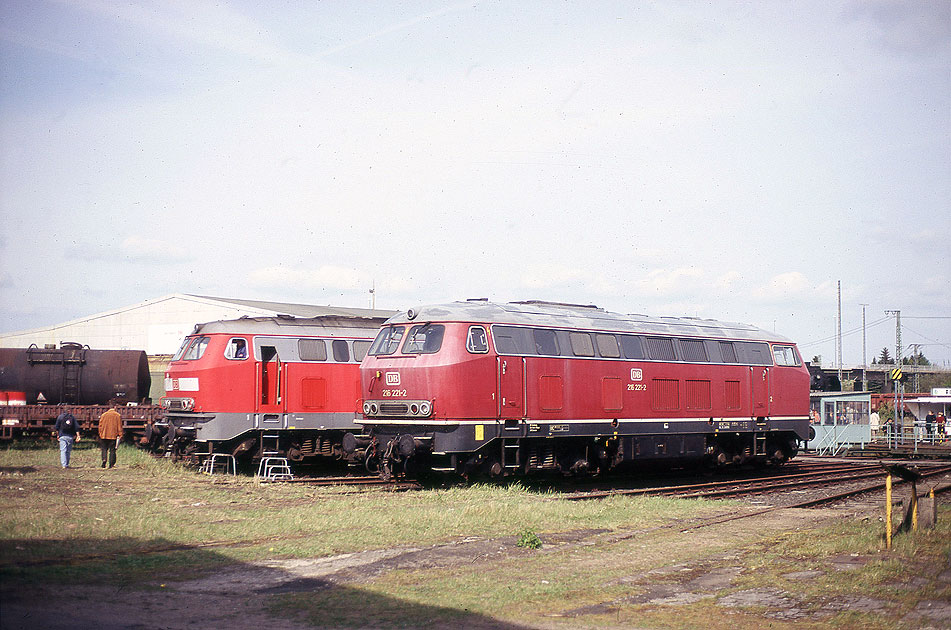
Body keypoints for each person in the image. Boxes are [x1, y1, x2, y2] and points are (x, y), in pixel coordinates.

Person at [97, 404, 123, 468]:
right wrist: (120, 434)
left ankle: (104, 460)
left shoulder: (103, 415)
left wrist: (100, 433)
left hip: (104, 435)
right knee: (112, 450)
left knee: (104, 449)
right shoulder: (118, 415)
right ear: (115, 407)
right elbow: (119, 426)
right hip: (113, 435)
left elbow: (100, 426)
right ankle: (111, 464)